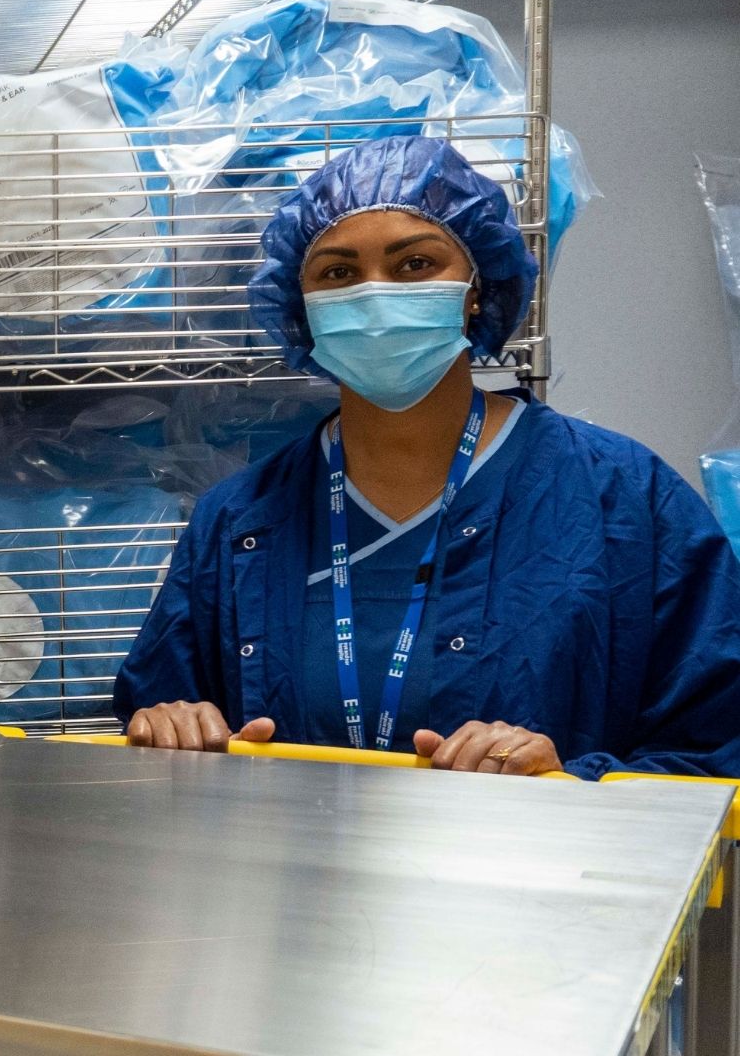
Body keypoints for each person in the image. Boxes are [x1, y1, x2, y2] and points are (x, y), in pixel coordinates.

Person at [113, 135, 740, 780]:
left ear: (476, 287)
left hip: (531, 877)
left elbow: (714, 749)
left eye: (415, 264)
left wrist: (566, 780)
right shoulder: (239, 520)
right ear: (301, 309)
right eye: (338, 273)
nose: (374, 295)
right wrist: (167, 731)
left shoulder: (625, 501)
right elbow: (161, 725)